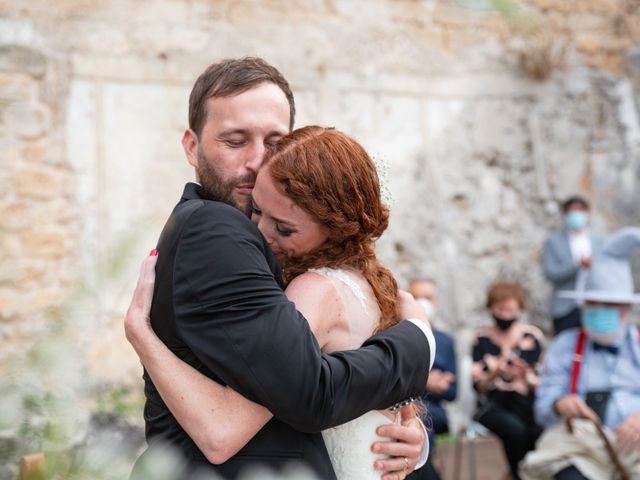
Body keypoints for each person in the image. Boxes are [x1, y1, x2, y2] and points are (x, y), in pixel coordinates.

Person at [125, 58, 435, 480]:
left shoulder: (298, 263)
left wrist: (410, 436)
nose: (256, 161)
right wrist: (417, 341)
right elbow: (305, 393)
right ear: (192, 146)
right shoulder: (216, 226)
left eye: (274, 142)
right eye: (235, 140)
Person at [522, 227, 640, 480]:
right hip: (581, 448)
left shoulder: (637, 344)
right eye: (593, 304)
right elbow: (543, 408)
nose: (600, 311)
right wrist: (559, 404)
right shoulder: (565, 345)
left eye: (609, 305)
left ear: (626, 309)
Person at [471, 281, 545, 480]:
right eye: (500, 309)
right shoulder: (481, 339)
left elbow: (542, 381)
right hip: (494, 405)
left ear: (519, 309)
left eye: (510, 310)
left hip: (526, 404)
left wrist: (525, 374)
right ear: (491, 309)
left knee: (537, 430)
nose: (505, 315)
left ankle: (525, 473)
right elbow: (478, 386)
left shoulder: (532, 336)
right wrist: (495, 373)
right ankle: (518, 474)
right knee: (514, 429)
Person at [407, 279, 457, 480]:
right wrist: (426, 380)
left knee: (421, 425)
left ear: (436, 302)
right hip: (407, 406)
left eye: (428, 298)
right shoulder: (400, 336)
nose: (423, 303)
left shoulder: (445, 341)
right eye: (417, 297)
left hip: (434, 410)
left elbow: (453, 392)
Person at [542, 196, 604, 335]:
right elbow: (550, 273)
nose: (576, 214)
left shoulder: (600, 241)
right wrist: (577, 265)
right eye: (571, 211)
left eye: (580, 210)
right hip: (565, 308)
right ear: (565, 215)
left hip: (595, 307)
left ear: (587, 213)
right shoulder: (553, 241)